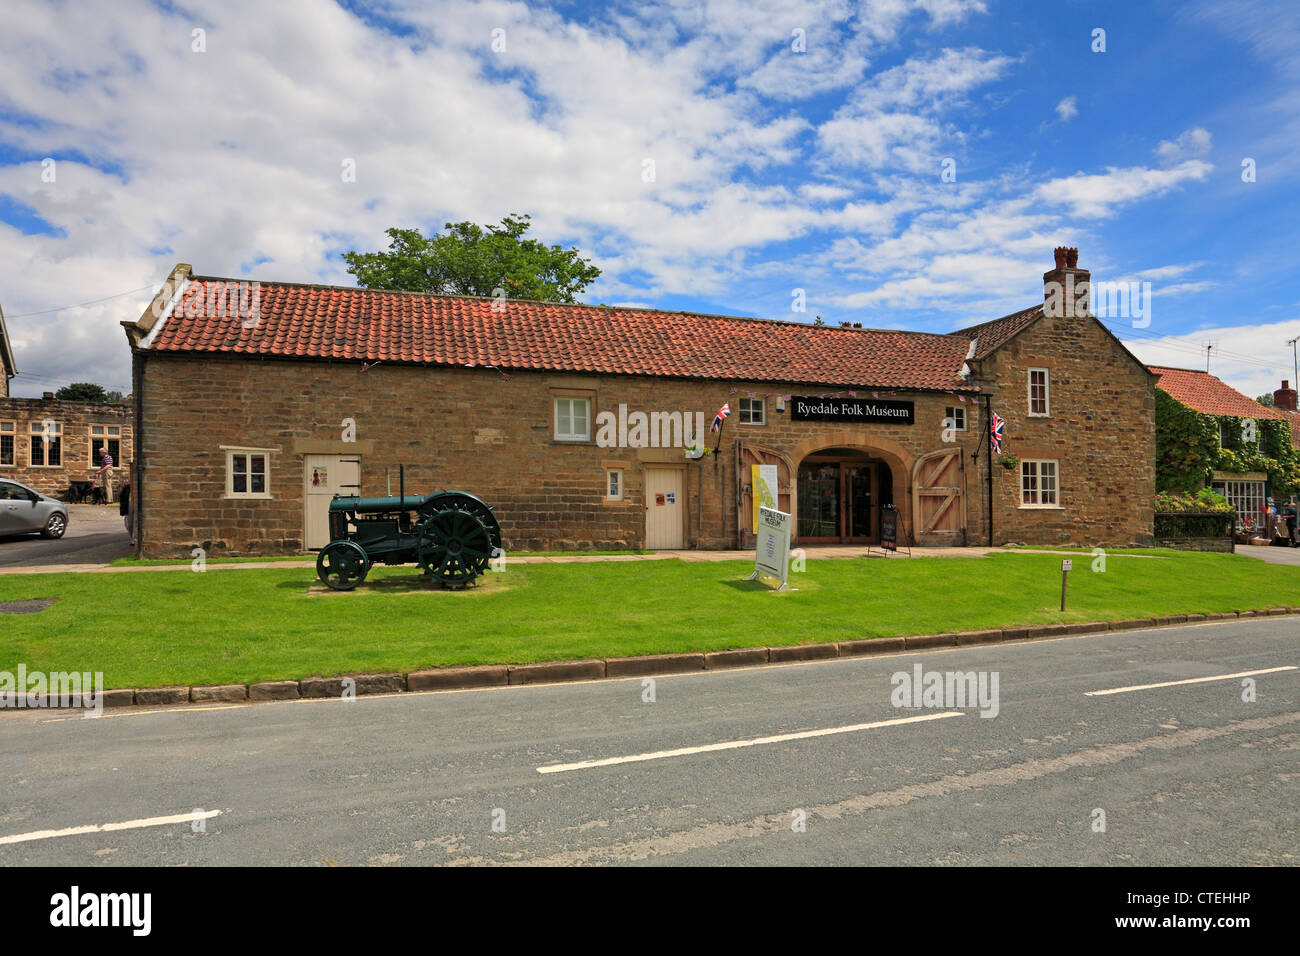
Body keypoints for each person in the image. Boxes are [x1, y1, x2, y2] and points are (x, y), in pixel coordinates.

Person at [120, 461, 135, 546]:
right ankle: (131, 537)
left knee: (136, 522)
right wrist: (123, 511)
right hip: (129, 504)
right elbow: (122, 500)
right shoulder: (126, 488)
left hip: (135, 503)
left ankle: (133, 539)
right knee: (129, 523)